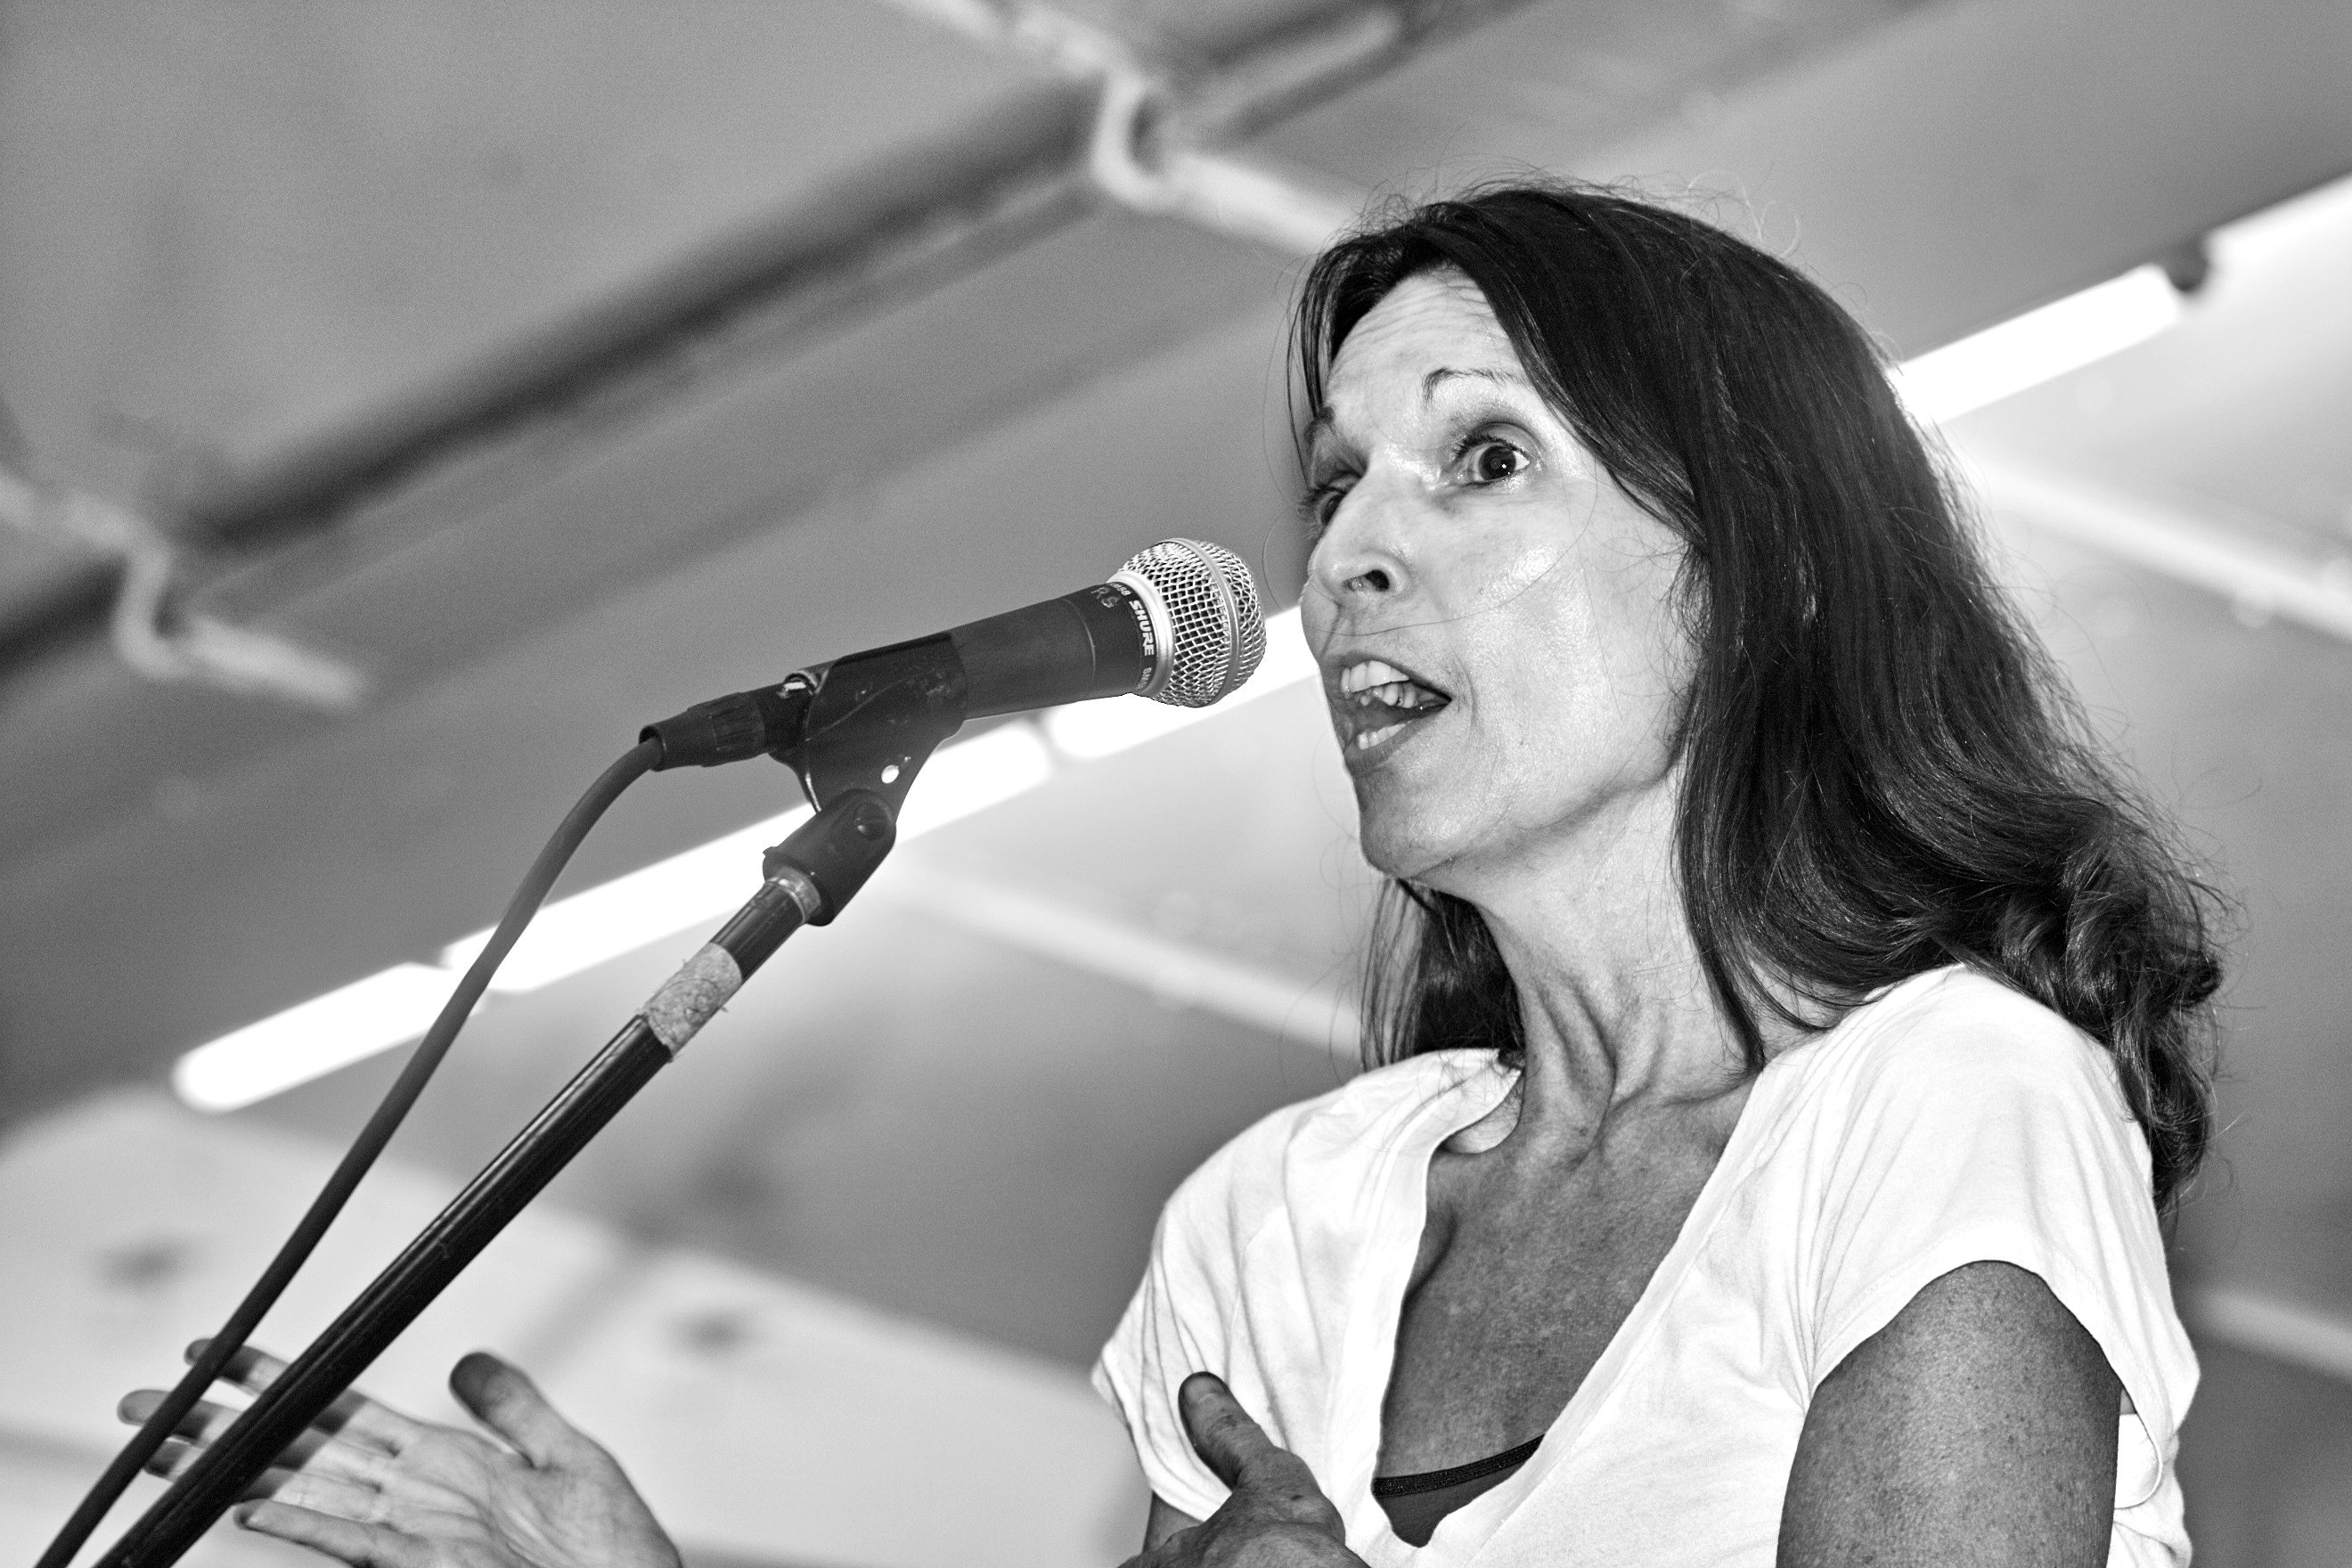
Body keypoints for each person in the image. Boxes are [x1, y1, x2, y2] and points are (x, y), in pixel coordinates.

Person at [123, 182, 2223, 1568]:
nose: (1349, 550)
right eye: (1339, 484)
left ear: (1762, 577)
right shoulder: (1280, 1224)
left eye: (1482, 457)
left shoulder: (1940, 1103)